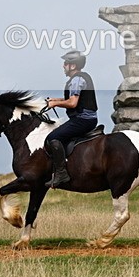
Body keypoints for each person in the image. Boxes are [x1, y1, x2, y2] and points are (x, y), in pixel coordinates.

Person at [43, 50, 98, 188]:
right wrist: (55, 100)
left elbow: (72, 103)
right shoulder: (79, 79)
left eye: (66, 63)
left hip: (83, 120)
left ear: (72, 66)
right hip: (84, 118)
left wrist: (55, 104)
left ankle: (61, 174)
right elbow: (73, 100)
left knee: (52, 138)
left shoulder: (77, 80)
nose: (63, 66)